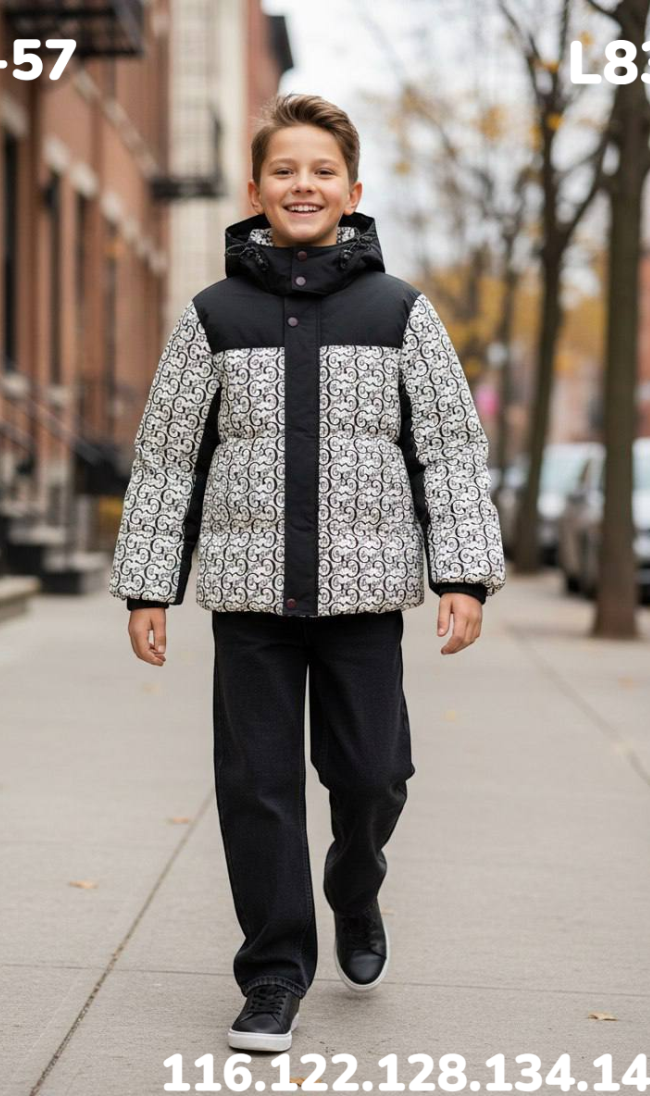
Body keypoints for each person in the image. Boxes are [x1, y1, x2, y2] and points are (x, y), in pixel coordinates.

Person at [109, 93, 506, 1053]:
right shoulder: (211, 316)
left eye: (322, 171)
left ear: (352, 191)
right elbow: (167, 456)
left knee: (373, 776)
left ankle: (355, 886)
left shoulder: (400, 311)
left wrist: (462, 573)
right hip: (250, 599)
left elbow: (449, 449)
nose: (303, 184)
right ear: (255, 190)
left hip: (364, 596)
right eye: (285, 170)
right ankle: (274, 973)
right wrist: (149, 585)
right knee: (259, 788)